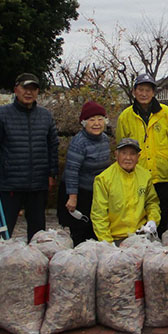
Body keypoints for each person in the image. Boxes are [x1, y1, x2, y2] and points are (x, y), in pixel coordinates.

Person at [0, 72, 59, 242]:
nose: (29, 92)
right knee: (3, 232)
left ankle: (35, 265)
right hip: (10, 183)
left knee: (38, 232)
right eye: (25, 88)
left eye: (33, 89)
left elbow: (52, 146)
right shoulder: (1, 114)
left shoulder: (45, 115)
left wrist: (52, 173)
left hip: (38, 183)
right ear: (16, 89)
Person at [116, 73, 168, 233]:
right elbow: (121, 148)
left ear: (153, 92)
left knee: (165, 216)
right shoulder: (125, 117)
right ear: (134, 91)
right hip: (138, 175)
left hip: (163, 175)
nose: (144, 94)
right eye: (140, 89)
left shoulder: (167, 113)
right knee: (140, 217)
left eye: (148, 90)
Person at [59, 100, 112, 245]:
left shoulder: (105, 139)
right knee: (80, 231)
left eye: (100, 119)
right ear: (84, 122)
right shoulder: (79, 142)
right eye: (91, 119)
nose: (96, 123)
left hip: (96, 191)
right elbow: (71, 171)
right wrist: (72, 197)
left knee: (96, 229)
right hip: (79, 192)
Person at [91, 138, 161, 244]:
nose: (128, 158)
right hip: (115, 238)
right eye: (124, 153)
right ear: (116, 155)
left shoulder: (145, 176)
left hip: (141, 235)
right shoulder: (104, 179)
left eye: (132, 154)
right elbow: (99, 215)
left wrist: (153, 220)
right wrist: (108, 243)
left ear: (138, 157)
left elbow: (152, 203)